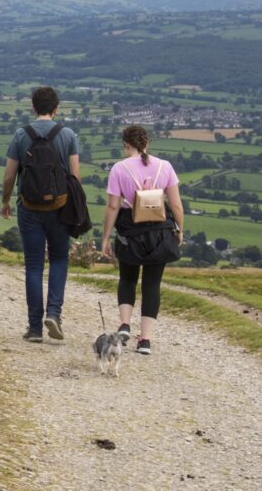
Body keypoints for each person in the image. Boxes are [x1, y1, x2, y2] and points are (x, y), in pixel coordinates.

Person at [1, 86, 81, 343]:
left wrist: (5, 201)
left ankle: (35, 327)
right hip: (60, 207)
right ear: (56, 108)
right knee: (59, 260)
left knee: (34, 265)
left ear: (33, 107)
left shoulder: (21, 135)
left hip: (30, 208)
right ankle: (54, 314)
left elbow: (10, 175)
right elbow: (75, 177)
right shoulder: (68, 135)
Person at [101, 125, 183, 355]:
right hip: (159, 231)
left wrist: (106, 236)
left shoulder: (119, 169)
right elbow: (175, 204)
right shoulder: (165, 167)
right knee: (152, 283)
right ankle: (145, 339)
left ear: (126, 144)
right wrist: (180, 229)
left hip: (130, 230)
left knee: (127, 278)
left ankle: (125, 324)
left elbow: (113, 206)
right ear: (147, 143)